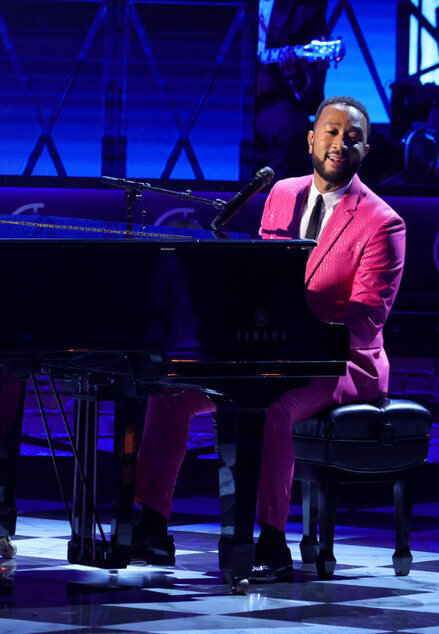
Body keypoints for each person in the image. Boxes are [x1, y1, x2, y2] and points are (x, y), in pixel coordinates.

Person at [133, 95, 405, 583]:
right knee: (170, 392)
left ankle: (272, 543)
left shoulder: (383, 222)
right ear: (310, 139)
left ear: (367, 148)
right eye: (331, 131)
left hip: (340, 364)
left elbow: (366, 321)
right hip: (268, 351)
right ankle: (151, 526)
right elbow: (258, 279)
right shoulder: (280, 193)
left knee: (271, 404)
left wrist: (296, 328)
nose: (339, 142)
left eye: (352, 136)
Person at [255, 0, 329, 179]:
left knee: (291, 126)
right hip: (224, 90)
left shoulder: (307, 7)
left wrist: (297, 76)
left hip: (271, 101)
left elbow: (313, 90)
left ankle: (280, 204)